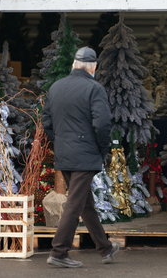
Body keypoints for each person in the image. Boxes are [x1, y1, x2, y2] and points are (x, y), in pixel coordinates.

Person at [43, 46, 119, 268]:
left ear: (74, 65)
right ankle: (58, 252)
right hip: (85, 155)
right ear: (93, 67)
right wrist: (101, 149)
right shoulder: (94, 89)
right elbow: (103, 124)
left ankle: (105, 248)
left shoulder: (56, 87)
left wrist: (60, 143)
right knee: (75, 205)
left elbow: (47, 122)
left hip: (64, 154)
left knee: (85, 204)